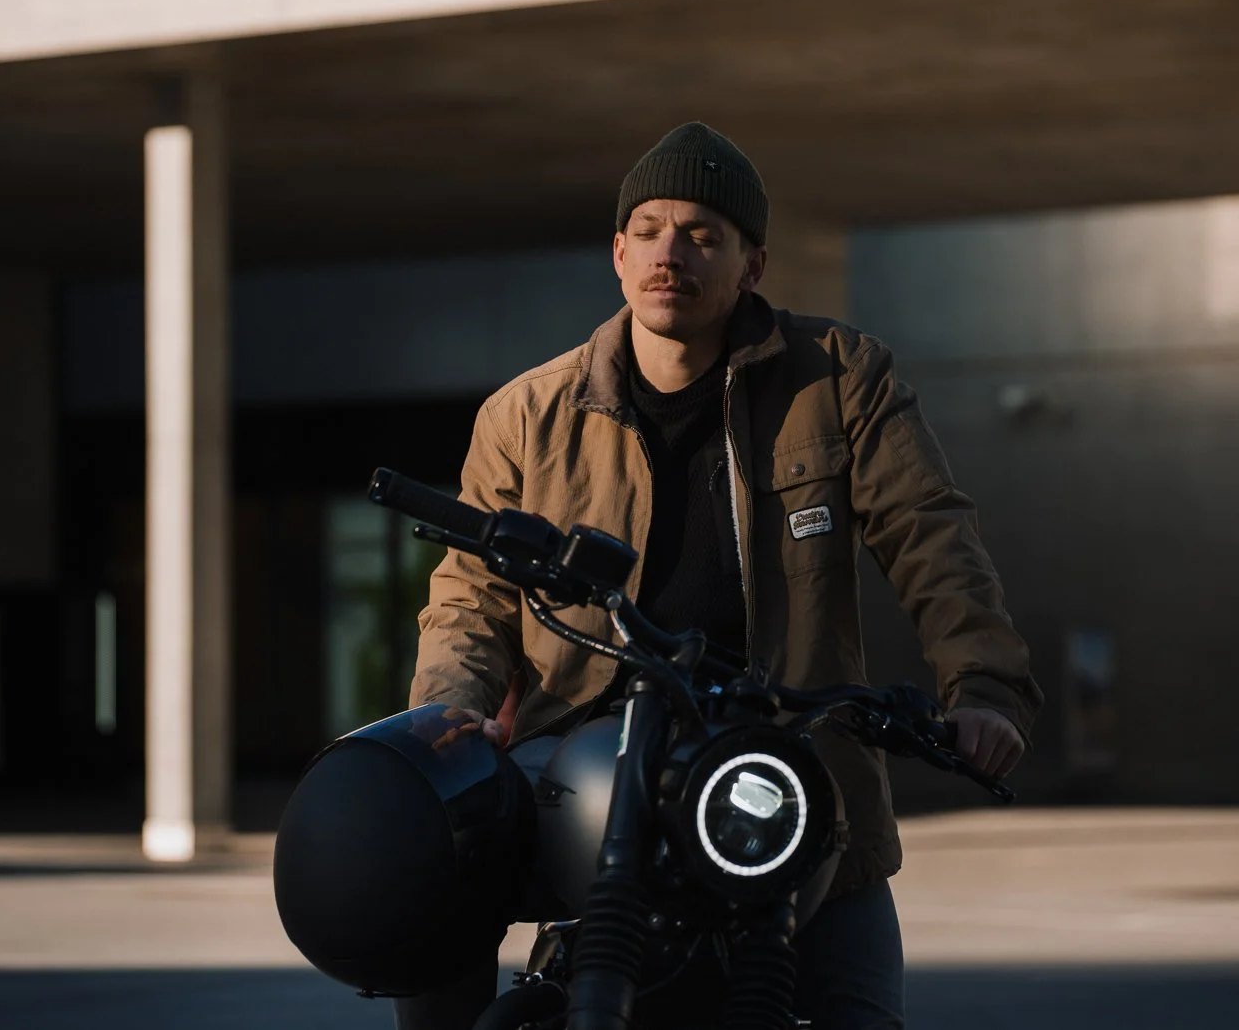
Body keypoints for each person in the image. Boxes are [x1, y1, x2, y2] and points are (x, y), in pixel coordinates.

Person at [395, 122, 1043, 1030]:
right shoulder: (525, 414)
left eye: (703, 233)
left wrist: (982, 685)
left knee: (860, 1009)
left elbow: (930, 532)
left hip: (779, 756)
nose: (672, 253)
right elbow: (471, 593)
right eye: (651, 230)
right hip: (580, 756)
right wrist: (451, 711)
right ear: (618, 255)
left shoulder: (841, 377)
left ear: (752, 263)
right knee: (421, 899)